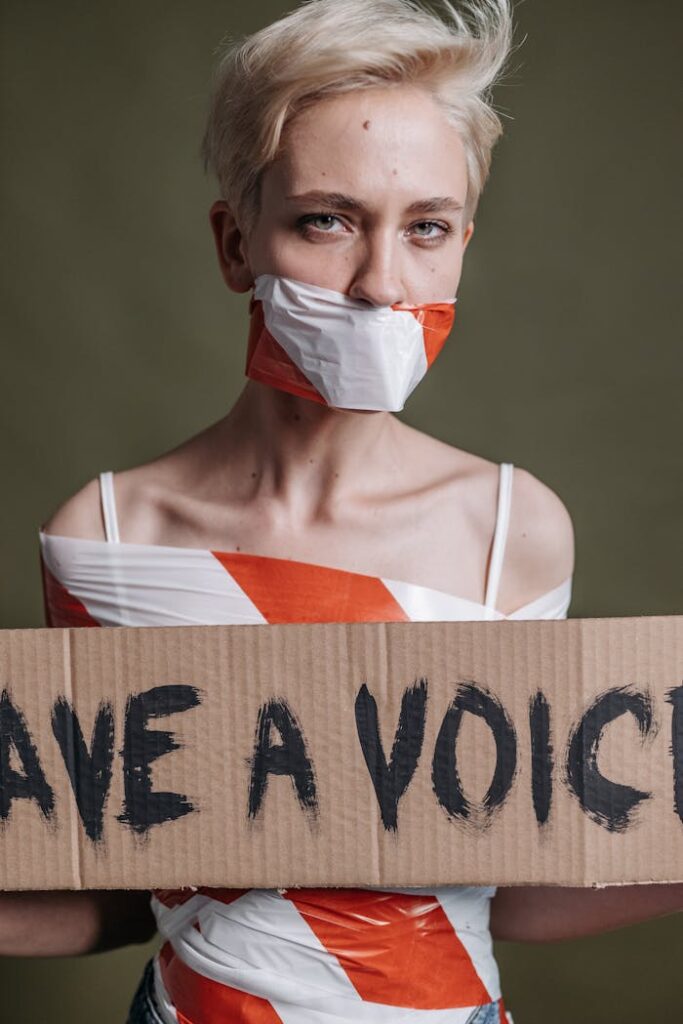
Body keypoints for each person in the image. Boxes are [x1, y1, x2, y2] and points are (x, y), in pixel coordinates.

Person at [11, 0, 681, 1021]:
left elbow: (490, 874)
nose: (380, 284)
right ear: (237, 244)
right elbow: (120, 888)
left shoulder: (509, 530)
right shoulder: (105, 537)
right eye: (326, 219)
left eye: (427, 228)